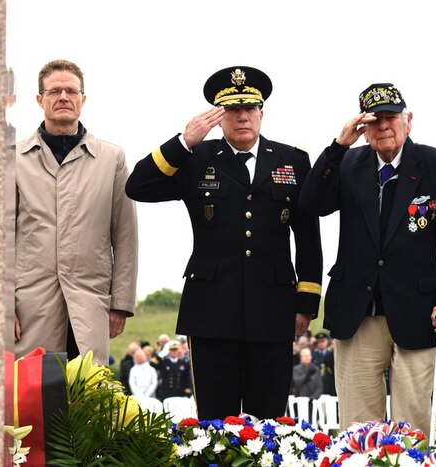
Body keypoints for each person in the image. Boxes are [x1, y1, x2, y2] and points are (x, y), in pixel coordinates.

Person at [126, 66, 323, 420]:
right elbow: (138, 186)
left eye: (250, 109)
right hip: (212, 309)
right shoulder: (196, 158)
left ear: (262, 113)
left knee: (269, 422)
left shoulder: (292, 161)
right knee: (216, 423)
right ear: (219, 117)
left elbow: (308, 237)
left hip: (274, 308)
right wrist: (184, 141)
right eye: (232, 110)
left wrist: (306, 302)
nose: (242, 117)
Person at [298, 83, 436, 431]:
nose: (383, 127)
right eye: (374, 121)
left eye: (390, 118)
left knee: (412, 426)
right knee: (358, 428)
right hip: (356, 312)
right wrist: (337, 147)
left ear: (408, 120)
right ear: (363, 128)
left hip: (418, 311)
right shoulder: (348, 163)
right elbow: (310, 204)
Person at [14, 59, 138, 365]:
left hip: (90, 301)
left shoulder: (111, 158)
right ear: (39, 99)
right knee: (33, 401)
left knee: (87, 397)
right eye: (54, 91)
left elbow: (125, 235)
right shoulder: (12, 158)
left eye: (71, 90)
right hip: (31, 303)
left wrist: (120, 304)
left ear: (83, 99)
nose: (63, 97)